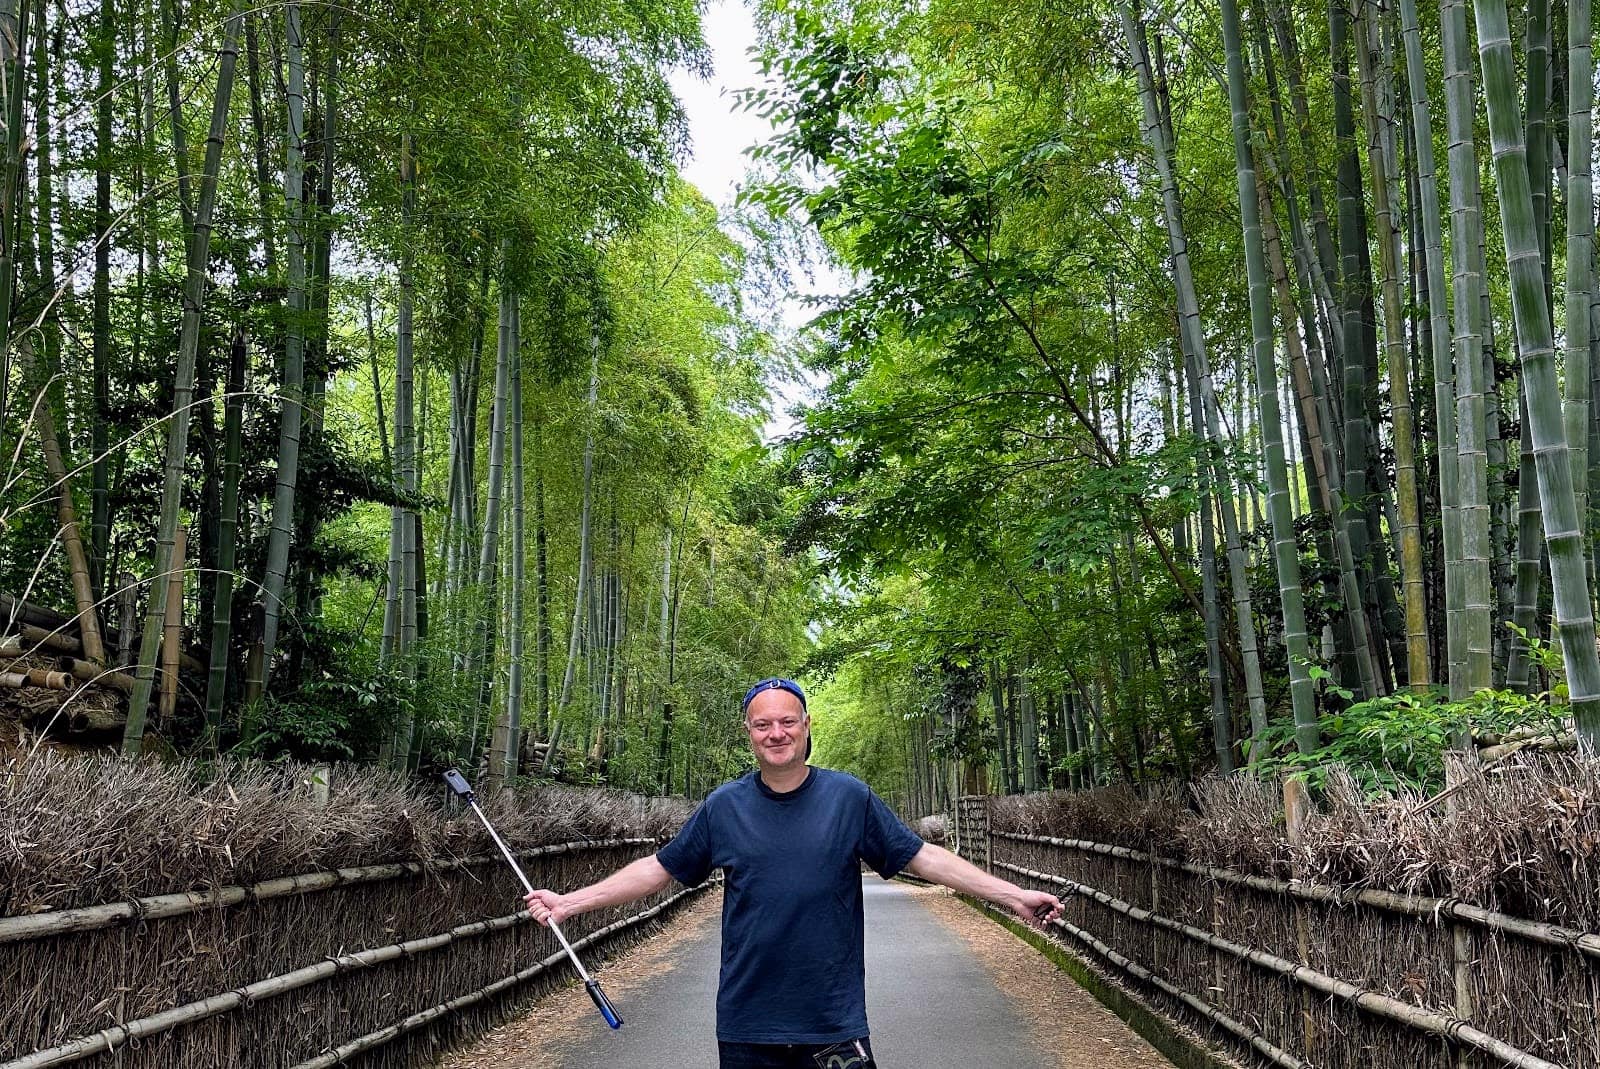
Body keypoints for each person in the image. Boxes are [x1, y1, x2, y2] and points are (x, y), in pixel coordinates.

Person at [524, 676, 1064, 1069]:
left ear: (806, 725)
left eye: (787, 721)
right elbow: (659, 870)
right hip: (748, 1022)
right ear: (749, 732)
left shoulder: (849, 797)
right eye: (764, 724)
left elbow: (922, 856)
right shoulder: (723, 807)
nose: (776, 733)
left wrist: (1010, 894)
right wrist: (571, 903)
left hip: (832, 1018)